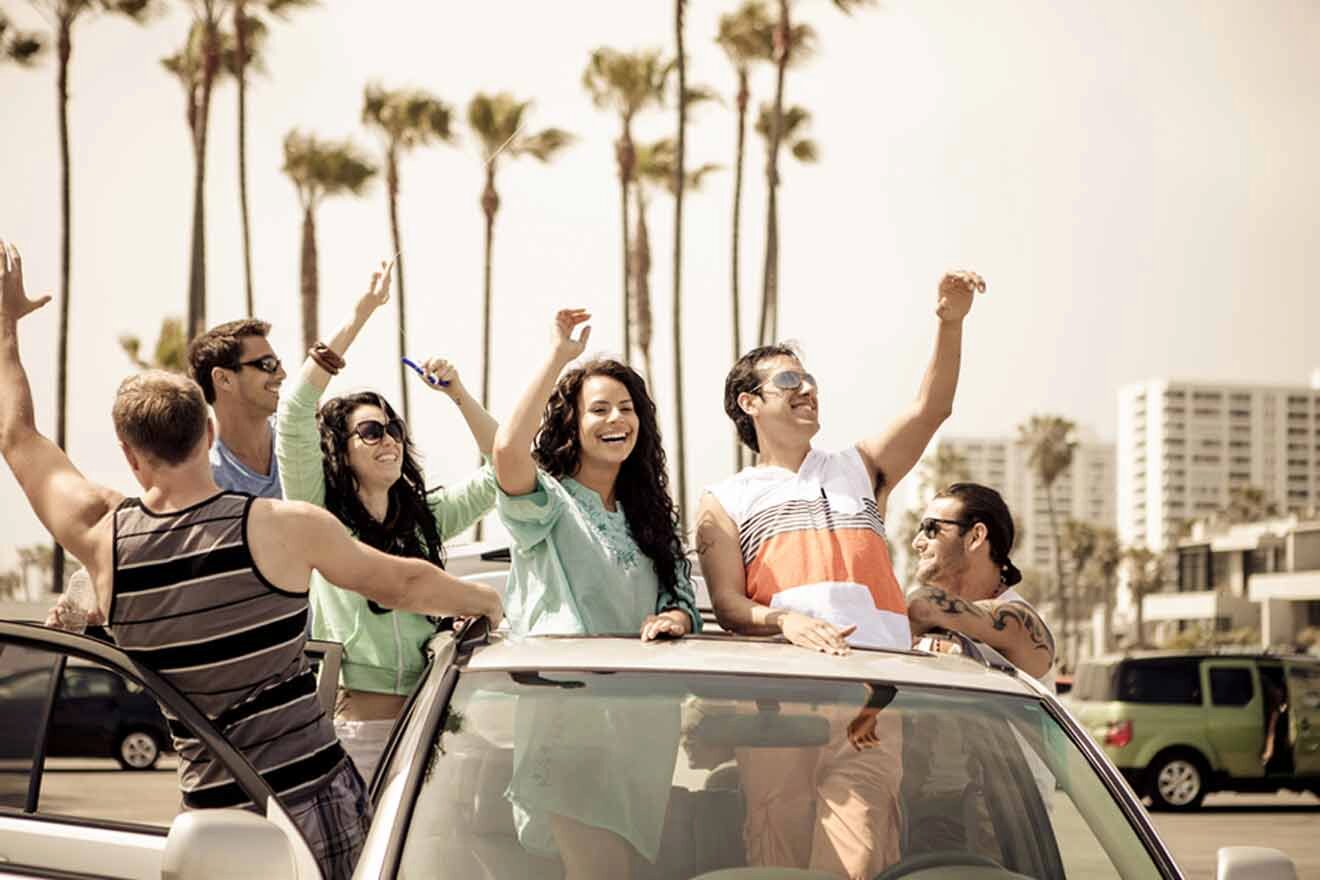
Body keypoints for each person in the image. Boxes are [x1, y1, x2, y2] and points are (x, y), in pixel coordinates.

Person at [0, 240, 502, 880]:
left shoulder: (103, 540)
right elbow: (401, 582)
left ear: (129, 453)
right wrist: (484, 602)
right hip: (315, 797)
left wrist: (5, 326)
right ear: (206, 432)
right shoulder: (281, 528)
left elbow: (17, 436)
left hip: (209, 812)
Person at [694, 270, 984, 879]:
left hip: (871, 699)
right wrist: (785, 620)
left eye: (812, 381)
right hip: (776, 704)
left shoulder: (861, 467)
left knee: (855, 855)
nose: (808, 391)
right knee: (778, 847)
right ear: (749, 403)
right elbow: (725, 606)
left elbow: (932, 407)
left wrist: (948, 322)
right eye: (790, 381)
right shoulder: (724, 498)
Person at [490, 308, 700, 878]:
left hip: (643, 726)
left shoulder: (650, 517)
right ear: (572, 423)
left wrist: (678, 621)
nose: (616, 420)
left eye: (627, 409)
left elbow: (680, 602)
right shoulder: (549, 502)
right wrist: (559, 355)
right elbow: (507, 452)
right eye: (599, 409)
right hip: (569, 718)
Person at [276, 259, 500, 783]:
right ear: (340, 448)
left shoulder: (425, 520)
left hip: (431, 727)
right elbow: (293, 411)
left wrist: (459, 395)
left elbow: (502, 472)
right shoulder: (319, 510)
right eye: (371, 431)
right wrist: (360, 315)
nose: (390, 440)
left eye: (394, 428)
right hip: (356, 731)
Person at [905, 482, 1056, 683]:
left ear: (975, 537)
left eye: (931, 528)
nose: (917, 542)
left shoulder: (1020, 624)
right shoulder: (927, 622)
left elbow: (923, 604)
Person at [187, 319, 287, 499]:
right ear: (223, 379)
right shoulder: (205, 479)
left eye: (278, 364)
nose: (282, 375)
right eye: (268, 364)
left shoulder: (302, 439)